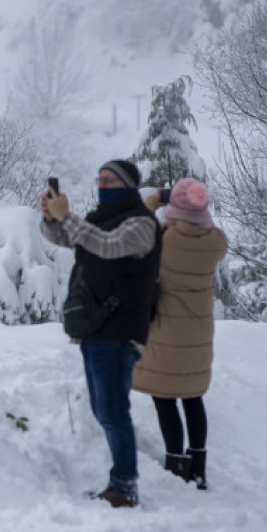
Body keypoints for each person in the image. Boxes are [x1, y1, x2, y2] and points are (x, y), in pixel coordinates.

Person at [40, 159, 161, 508]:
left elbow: (108, 246)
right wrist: (51, 216)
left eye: (110, 180)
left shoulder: (142, 223)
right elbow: (66, 236)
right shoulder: (99, 219)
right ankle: (122, 484)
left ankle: (124, 487)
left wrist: (68, 216)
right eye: (100, 179)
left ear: (128, 184)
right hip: (96, 326)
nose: (102, 185)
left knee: (112, 410)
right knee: (104, 408)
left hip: (119, 329)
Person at [132, 178, 228, 490]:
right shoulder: (216, 242)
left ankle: (175, 464)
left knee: (165, 398)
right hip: (199, 333)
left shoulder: (164, 240)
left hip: (166, 332)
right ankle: (198, 467)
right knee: (192, 398)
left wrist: (152, 207)